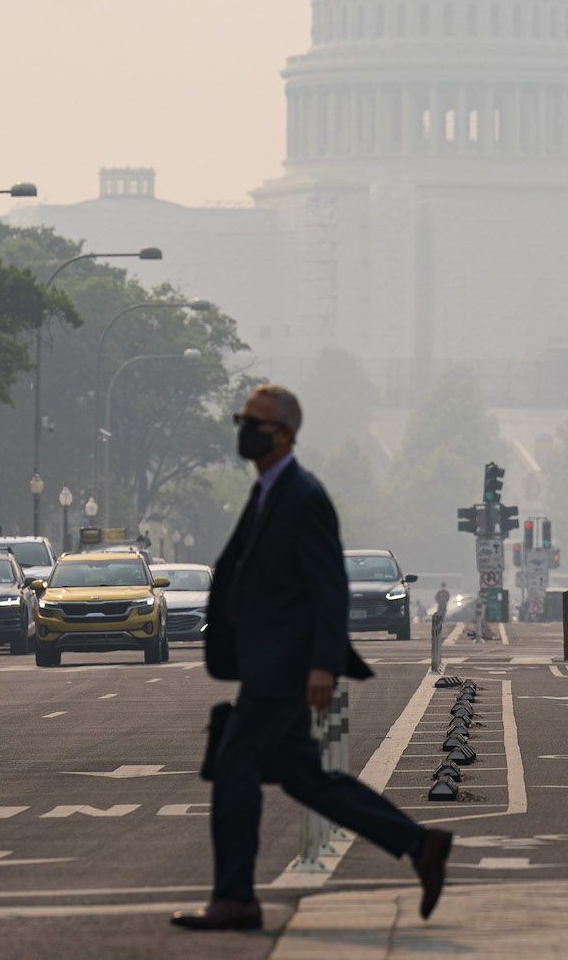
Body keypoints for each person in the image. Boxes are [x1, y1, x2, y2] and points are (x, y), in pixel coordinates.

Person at [173, 384, 452, 932]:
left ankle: (235, 897)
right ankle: (420, 845)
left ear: (285, 435)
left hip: (284, 664)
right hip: (266, 659)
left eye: (255, 424)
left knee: (234, 766)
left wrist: (323, 663)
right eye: (242, 421)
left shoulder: (302, 496)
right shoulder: (267, 492)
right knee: (304, 778)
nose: (244, 432)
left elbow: (329, 586)